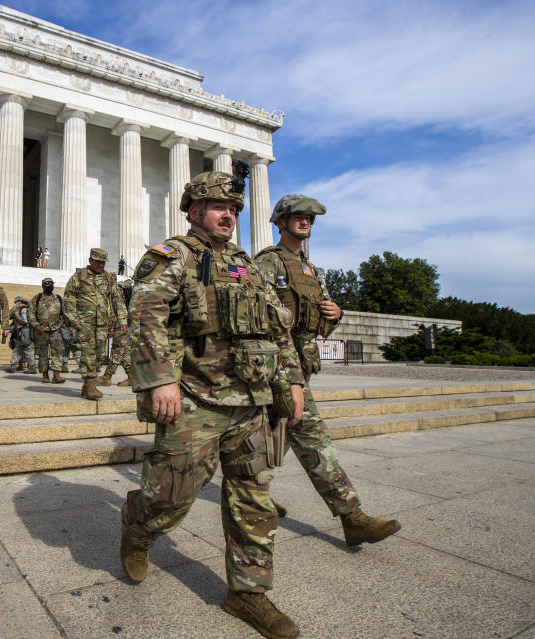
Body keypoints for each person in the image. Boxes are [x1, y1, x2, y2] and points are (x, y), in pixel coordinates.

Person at [120, 171, 306, 639]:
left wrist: (294, 381)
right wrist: (160, 380)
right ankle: (138, 528)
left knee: (253, 496)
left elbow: (276, 327)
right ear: (194, 211)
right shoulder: (173, 256)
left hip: (250, 402)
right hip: (195, 399)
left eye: (235, 209)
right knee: (169, 499)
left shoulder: (248, 263)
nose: (229, 216)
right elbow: (146, 315)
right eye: (220, 207)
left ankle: (248, 593)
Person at [255, 194, 401, 547]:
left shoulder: (311, 269)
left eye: (309, 218)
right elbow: (260, 316)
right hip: (279, 365)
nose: (305, 222)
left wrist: (336, 315)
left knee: (275, 434)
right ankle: (353, 517)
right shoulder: (268, 263)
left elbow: (320, 319)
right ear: (280, 222)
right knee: (312, 436)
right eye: (298, 217)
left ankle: (255, 492)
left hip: (303, 363)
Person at [63, 248, 127, 400]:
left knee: (99, 354)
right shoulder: (79, 277)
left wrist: (122, 318)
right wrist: (74, 319)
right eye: (98, 261)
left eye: (103, 262)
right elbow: (68, 298)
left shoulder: (108, 278)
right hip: (85, 323)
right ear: (90, 260)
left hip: (103, 323)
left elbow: (117, 299)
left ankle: (87, 385)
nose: (100, 265)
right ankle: (90, 384)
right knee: (88, 352)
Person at [29, 277, 66, 384]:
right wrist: (36, 325)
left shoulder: (58, 298)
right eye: (46, 284)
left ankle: (56, 375)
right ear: (43, 286)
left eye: (50, 284)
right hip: (41, 331)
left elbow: (64, 313)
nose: (49, 286)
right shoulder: (37, 298)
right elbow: (30, 313)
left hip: (55, 329)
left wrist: (64, 324)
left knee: (58, 352)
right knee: (42, 353)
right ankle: (45, 375)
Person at [98, 278, 134, 387]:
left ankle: (107, 376)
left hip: (122, 324)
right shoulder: (117, 290)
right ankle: (131, 377)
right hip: (127, 323)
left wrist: (118, 325)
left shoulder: (115, 291)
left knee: (117, 351)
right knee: (125, 353)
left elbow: (120, 308)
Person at [6, 297, 36, 373]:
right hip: (24, 332)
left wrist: (17, 315)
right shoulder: (25, 309)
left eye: (16, 302)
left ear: (19, 302)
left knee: (21, 349)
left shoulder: (24, 310)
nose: (15, 304)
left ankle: (13, 366)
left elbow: (24, 321)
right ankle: (31, 367)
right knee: (24, 349)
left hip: (25, 331)